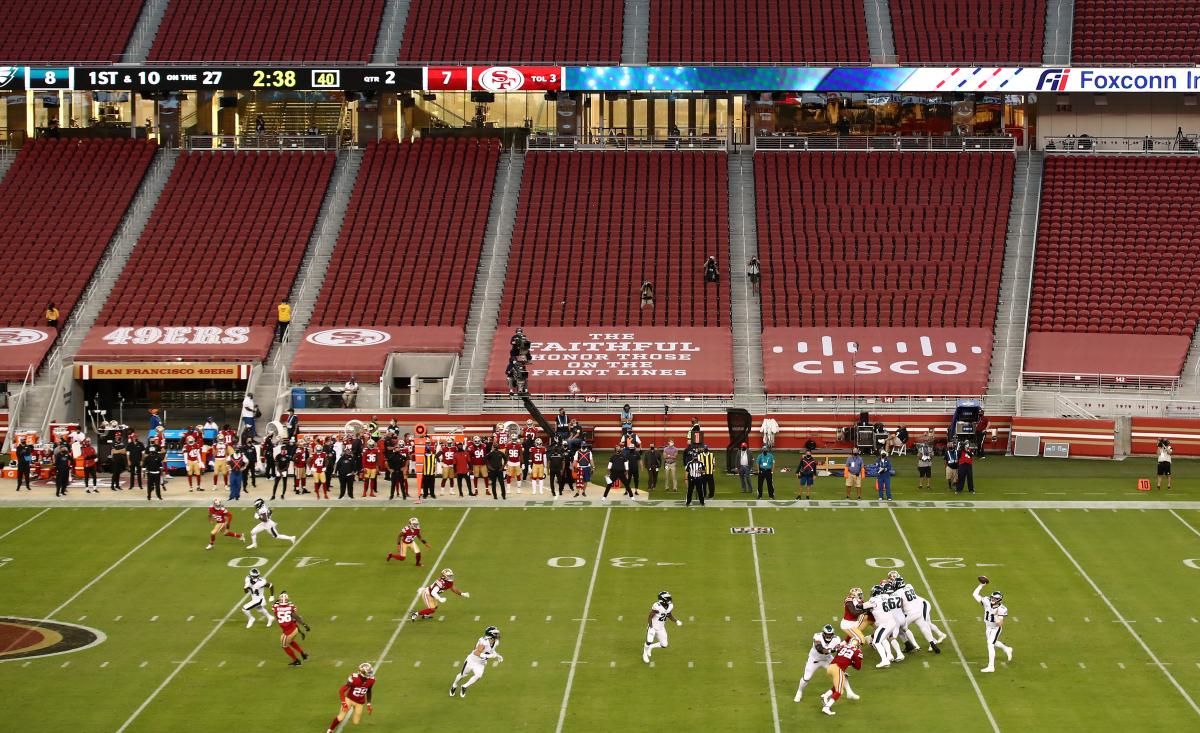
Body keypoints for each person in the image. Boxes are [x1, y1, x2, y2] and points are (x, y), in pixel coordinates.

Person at [972, 578, 1012, 673]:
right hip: (987, 626)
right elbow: (974, 595)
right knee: (993, 642)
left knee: (990, 644)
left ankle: (991, 666)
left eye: (995, 599)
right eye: (992, 598)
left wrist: (996, 615)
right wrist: (981, 585)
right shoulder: (986, 601)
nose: (993, 599)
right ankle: (1007, 649)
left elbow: (1001, 623)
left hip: (995, 628)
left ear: (999, 600)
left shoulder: (1002, 609)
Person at [449, 626, 502, 698]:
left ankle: (464, 686)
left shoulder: (496, 642)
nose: (497, 635)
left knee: (478, 675)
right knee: (462, 675)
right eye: (495, 633)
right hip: (472, 660)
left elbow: (491, 650)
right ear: (491, 634)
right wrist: (488, 656)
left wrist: (497, 655)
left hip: (481, 663)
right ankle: (454, 685)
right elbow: (476, 652)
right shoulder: (484, 641)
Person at [794, 624, 841, 702]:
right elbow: (819, 649)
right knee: (806, 678)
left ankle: (847, 692)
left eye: (830, 634)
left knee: (840, 674)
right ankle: (799, 691)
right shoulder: (817, 636)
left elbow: (839, 651)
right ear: (823, 633)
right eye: (827, 634)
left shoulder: (836, 639)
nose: (829, 636)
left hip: (827, 659)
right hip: (814, 660)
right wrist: (831, 650)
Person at [326, 663, 375, 732]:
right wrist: (343, 702)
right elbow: (341, 690)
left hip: (360, 703)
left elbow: (369, 691)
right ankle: (330, 730)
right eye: (369, 672)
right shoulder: (354, 678)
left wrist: (369, 704)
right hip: (349, 699)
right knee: (341, 717)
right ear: (362, 672)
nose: (370, 673)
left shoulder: (372, 680)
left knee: (356, 722)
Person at [820, 640, 864, 716]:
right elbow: (858, 667)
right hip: (838, 669)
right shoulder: (857, 652)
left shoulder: (844, 646)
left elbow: (840, 656)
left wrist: (849, 661)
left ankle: (825, 696)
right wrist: (853, 662)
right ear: (858, 645)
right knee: (839, 691)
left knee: (840, 683)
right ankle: (827, 707)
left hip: (830, 667)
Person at [271, 592, 310, 666]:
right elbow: (296, 617)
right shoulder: (291, 607)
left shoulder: (275, 607)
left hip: (288, 632)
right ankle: (302, 654)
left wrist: (280, 597)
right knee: (290, 641)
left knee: (284, 645)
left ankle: (296, 661)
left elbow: (275, 604)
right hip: (294, 628)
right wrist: (305, 625)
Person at [642, 591, 682, 663]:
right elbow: (650, 617)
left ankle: (651, 647)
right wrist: (651, 628)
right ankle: (645, 653)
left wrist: (676, 621)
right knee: (649, 641)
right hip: (653, 627)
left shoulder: (670, 606)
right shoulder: (657, 606)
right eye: (668, 598)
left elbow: (668, 614)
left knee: (664, 645)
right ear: (662, 600)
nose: (669, 600)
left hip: (661, 628)